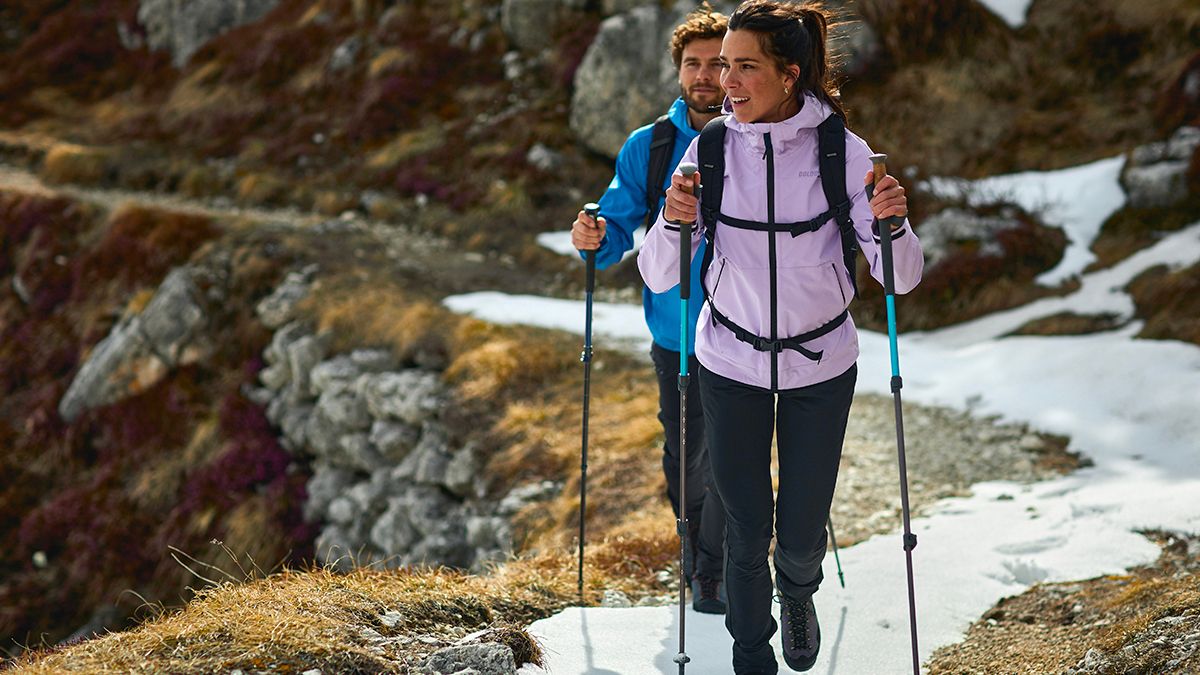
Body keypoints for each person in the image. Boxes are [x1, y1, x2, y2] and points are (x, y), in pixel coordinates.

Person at [638, 1, 924, 672]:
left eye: (744, 67)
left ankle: (798, 593)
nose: (726, 82)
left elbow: (899, 278)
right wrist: (675, 222)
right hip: (728, 359)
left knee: (798, 532)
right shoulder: (708, 146)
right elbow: (659, 273)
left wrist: (894, 223)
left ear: (790, 73)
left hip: (821, 364)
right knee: (744, 528)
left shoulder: (841, 151)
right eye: (720, 66)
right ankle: (749, 653)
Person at [570, 3, 730, 613]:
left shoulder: (757, 138)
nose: (706, 77)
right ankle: (696, 549)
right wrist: (594, 235)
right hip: (678, 331)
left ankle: (717, 566)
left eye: (719, 65)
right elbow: (616, 218)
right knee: (686, 455)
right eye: (694, 65)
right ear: (678, 72)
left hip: (752, 334)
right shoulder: (651, 145)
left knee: (735, 450)